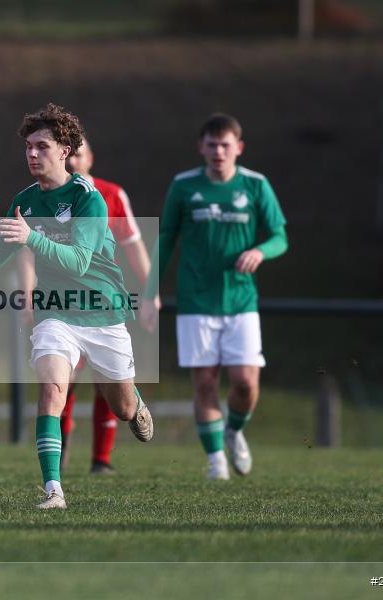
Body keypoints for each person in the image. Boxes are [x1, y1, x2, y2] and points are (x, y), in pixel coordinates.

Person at [0, 103, 153, 510]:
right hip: (55, 310)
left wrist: (30, 238)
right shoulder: (25, 201)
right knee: (52, 389)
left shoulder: (89, 199)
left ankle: (136, 401)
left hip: (103, 311)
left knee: (122, 408)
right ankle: (53, 490)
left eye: (42, 146)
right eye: (28, 147)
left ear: (65, 151)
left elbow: (78, 260)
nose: (32, 154)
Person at [140, 113, 288, 480]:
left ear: (238, 147)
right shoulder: (184, 186)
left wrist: (260, 252)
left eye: (225, 145)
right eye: (212, 145)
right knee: (205, 381)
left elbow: (280, 237)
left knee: (244, 383)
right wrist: (149, 292)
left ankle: (234, 431)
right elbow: (166, 239)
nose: (219, 151)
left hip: (240, 301)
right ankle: (215, 461)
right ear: (201, 147)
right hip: (196, 302)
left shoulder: (255, 185)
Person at [16, 136, 159, 475]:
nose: (76, 161)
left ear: (89, 158)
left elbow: (133, 245)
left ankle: (102, 458)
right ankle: (56, 468)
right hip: (58, 305)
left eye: (80, 154)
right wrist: (25, 291)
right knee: (57, 381)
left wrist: (150, 293)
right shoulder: (38, 198)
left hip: (100, 304)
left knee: (114, 395)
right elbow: (22, 247)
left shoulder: (106, 196)